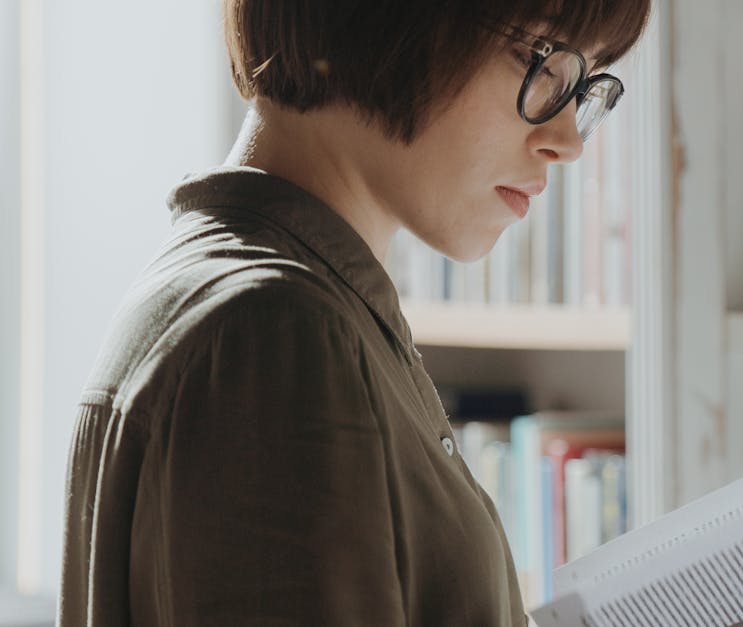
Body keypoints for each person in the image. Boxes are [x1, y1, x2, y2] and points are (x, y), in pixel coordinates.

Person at [58, 1, 648, 624]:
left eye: (584, 86)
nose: (567, 142)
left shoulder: (275, 308)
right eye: (542, 61)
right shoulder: (273, 333)